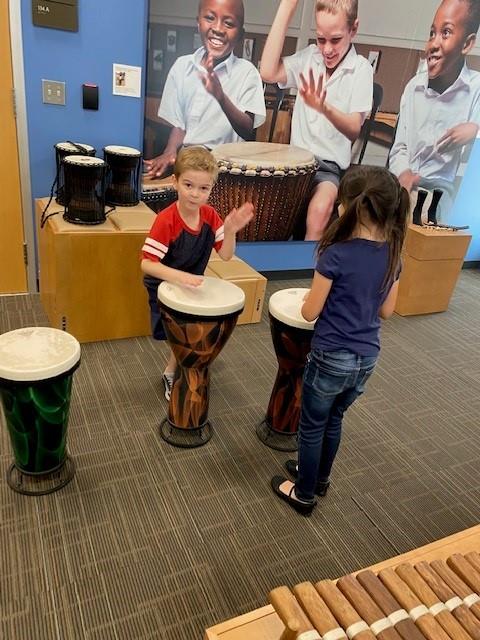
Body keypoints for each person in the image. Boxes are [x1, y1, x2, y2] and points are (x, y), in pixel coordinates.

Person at [271, 165, 409, 516]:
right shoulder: (394, 252)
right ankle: (320, 478)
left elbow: (309, 312)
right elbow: (386, 312)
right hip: (367, 358)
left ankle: (303, 492)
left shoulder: (336, 253)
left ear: (346, 208)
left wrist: (307, 300)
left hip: (332, 354)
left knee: (313, 423)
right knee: (334, 420)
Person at [141, 146, 254, 400]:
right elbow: (147, 264)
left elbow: (225, 255)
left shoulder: (210, 216)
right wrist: (179, 277)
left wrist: (231, 230)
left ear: (211, 189)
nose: (195, 194)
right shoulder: (166, 220)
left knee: (191, 332)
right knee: (178, 335)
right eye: (189, 185)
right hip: (162, 284)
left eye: (203, 188)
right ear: (175, 182)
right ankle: (174, 372)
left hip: (189, 283)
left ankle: (173, 371)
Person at [260, 0, 373, 240]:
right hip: (296, 163)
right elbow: (268, 71)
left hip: (328, 169)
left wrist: (324, 107)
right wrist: (287, 9)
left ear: (353, 29)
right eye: (321, 39)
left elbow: (354, 128)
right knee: (266, 208)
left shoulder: (361, 69)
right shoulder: (308, 58)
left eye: (336, 39)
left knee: (320, 210)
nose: (327, 49)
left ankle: (306, 272)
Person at [144, 0, 266, 179]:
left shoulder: (247, 73)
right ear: (198, 22)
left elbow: (248, 130)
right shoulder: (182, 66)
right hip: (187, 161)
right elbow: (181, 125)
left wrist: (220, 96)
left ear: (241, 34)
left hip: (225, 168)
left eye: (229, 23)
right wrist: (170, 151)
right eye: (210, 18)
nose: (217, 28)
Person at [389, 0, 480, 222]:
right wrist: (404, 173)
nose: (433, 43)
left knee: (425, 216)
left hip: (444, 192)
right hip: (405, 184)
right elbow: (399, 147)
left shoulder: (476, 89)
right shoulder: (413, 88)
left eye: (446, 33)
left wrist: (475, 131)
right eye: (432, 33)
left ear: (467, 44)